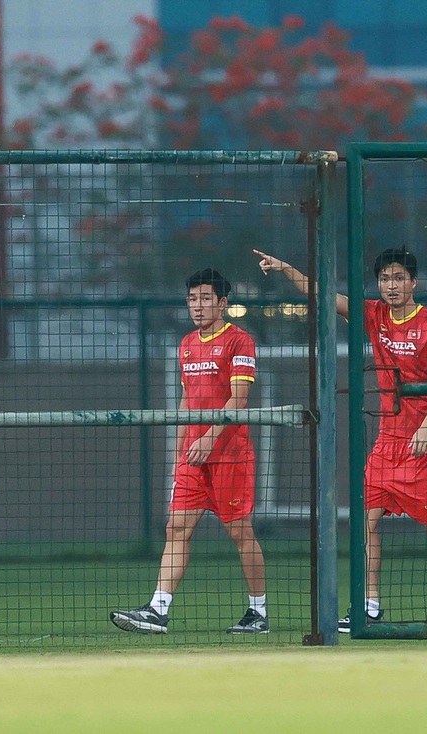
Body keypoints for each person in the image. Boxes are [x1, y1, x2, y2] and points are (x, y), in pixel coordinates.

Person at [255, 247, 427, 629]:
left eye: (398, 278)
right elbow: (323, 296)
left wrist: (426, 426)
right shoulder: (374, 314)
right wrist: (285, 268)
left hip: (426, 441)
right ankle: (369, 605)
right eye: (384, 279)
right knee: (367, 520)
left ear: (413, 282)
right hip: (386, 442)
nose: (391, 286)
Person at [111, 268, 269, 635]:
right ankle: (157, 610)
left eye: (205, 299)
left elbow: (239, 399)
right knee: (176, 528)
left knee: (240, 533)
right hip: (193, 458)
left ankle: (258, 613)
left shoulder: (239, 341)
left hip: (229, 454)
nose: (197, 306)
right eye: (192, 300)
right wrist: (179, 450)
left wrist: (209, 438)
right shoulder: (186, 344)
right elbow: (186, 401)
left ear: (223, 303)